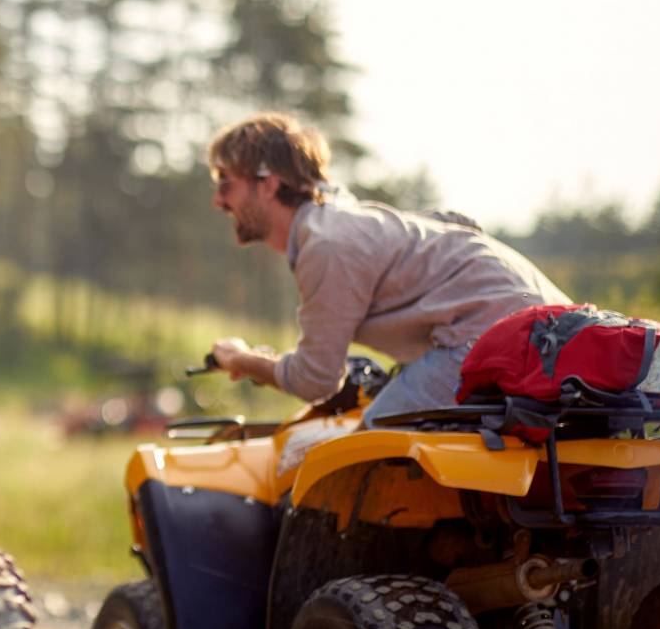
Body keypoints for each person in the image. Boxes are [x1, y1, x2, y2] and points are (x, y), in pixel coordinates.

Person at [204, 112, 568, 426]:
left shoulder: (327, 243)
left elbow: (315, 381)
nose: (218, 200)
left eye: (226, 182)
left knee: (362, 463)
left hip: (491, 332)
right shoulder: (339, 223)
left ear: (267, 185)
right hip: (542, 326)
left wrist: (241, 359)